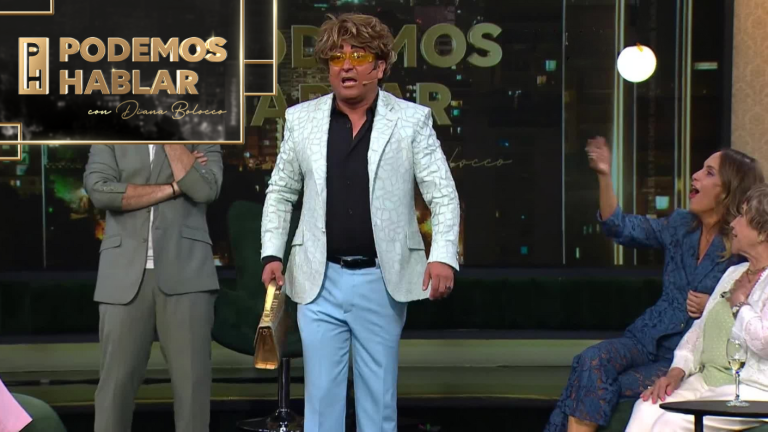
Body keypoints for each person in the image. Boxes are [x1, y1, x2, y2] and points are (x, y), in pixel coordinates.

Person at [260, 13, 460, 432]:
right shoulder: (301, 120)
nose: (346, 66)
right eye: (337, 57)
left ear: (380, 67)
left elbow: (442, 195)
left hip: (380, 281)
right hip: (317, 280)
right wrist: (272, 253)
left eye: (359, 56)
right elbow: (280, 192)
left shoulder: (411, 120)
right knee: (320, 405)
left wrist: (442, 256)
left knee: (378, 405)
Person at [545, 137, 764, 432]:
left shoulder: (740, 243)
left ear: (728, 191)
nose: (695, 175)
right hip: (646, 337)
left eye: (709, 172)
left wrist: (713, 304)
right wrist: (605, 175)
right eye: (700, 168)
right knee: (590, 361)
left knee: (595, 385)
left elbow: (749, 298)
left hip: (681, 355)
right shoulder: (680, 225)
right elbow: (619, 226)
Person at [84, 144, 222, 432]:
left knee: (192, 389)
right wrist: (174, 187)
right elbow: (100, 192)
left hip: (188, 273)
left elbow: (205, 190)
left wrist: (170, 139)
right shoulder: (111, 135)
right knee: (114, 389)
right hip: (122, 275)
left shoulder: (200, 132)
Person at [626, 183, 768, 431]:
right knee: (647, 406)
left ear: (763, 232)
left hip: (752, 389)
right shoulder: (734, 273)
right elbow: (698, 330)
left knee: (671, 423)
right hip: (706, 381)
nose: (733, 224)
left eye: (742, 216)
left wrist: (740, 304)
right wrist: (676, 371)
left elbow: (765, 342)